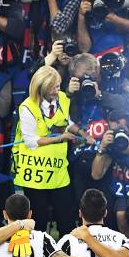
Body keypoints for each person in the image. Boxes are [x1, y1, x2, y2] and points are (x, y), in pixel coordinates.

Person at [12, 65, 86, 233]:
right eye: (53, 87)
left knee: (66, 219)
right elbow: (30, 141)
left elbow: (66, 121)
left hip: (58, 172)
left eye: (58, 85)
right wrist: (61, 138)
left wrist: (82, 133)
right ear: (42, 87)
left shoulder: (63, 99)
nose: (57, 90)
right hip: (35, 174)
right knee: (39, 221)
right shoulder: (27, 107)